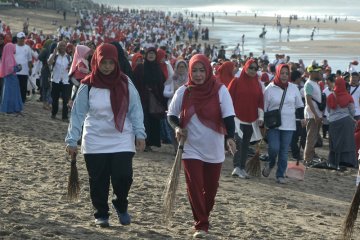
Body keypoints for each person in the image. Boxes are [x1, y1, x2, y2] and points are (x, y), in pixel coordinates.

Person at [65, 43, 146, 228]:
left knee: (123, 176)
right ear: (97, 62)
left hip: (122, 137)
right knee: (98, 180)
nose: (107, 67)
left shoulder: (125, 82)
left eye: (111, 62)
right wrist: (71, 140)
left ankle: (120, 204)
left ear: (116, 62)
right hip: (95, 138)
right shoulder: (88, 85)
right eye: (104, 63)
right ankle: (101, 213)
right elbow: (77, 114)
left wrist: (140, 133)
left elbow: (135, 109)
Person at [167, 54, 236, 239]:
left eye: (202, 70)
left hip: (214, 149)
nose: (198, 75)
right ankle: (201, 225)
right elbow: (171, 115)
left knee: (211, 190)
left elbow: (229, 116)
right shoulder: (184, 91)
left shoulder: (221, 90)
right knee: (194, 186)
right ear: (190, 72)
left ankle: (203, 217)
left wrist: (230, 138)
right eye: (194, 71)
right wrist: (177, 128)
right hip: (190, 148)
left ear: (208, 71)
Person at [262, 64, 304, 184]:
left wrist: (302, 118)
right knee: (274, 148)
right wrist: (263, 124)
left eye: (286, 73)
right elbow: (264, 108)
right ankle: (270, 164)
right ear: (277, 73)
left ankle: (280, 175)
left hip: (289, 125)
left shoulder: (293, 88)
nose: (284, 76)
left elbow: (300, 105)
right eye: (282, 73)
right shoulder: (269, 89)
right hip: (273, 125)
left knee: (284, 151)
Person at [228, 59, 264, 179]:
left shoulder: (257, 84)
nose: (253, 70)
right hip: (236, 119)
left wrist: (261, 116)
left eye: (255, 68)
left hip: (251, 120)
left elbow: (260, 101)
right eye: (251, 68)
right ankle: (237, 167)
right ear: (245, 68)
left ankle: (242, 168)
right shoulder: (236, 81)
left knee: (246, 145)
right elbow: (228, 99)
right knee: (238, 143)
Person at [132, 47, 167, 152]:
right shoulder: (140, 68)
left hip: (155, 99)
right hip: (142, 99)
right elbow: (135, 82)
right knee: (143, 120)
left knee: (152, 121)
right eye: (149, 53)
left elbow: (162, 83)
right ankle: (142, 142)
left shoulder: (157, 68)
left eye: (153, 53)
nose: (151, 55)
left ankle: (150, 143)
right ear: (146, 55)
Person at [326, 77, 357, 169]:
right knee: (347, 142)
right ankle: (346, 161)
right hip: (345, 122)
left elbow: (328, 110)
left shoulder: (330, 96)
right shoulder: (348, 96)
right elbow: (353, 112)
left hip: (332, 122)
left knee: (335, 142)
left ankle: (334, 161)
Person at [303, 65, 324, 164]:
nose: (320, 73)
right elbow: (308, 100)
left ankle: (311, 154)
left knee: (314, 136)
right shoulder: (309, 84)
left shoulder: (315, 83)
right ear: (311, 73)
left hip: (316, 114)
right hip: (312, 115)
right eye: (317, 71)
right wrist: (315, 114)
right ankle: (307, 159)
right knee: (311, 137)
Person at [48, 41, 72, 121]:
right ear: (57, 47)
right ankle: (53, 113)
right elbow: (49, 63)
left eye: (64, 46)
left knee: (65, 99)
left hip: (65, 81)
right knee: (55, 99)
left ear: (66, 47)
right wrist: (54, 53)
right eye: (60, 46)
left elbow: (71, 68)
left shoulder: (69, 57)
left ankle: (64, 117)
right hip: (55, 80)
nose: (62, 47)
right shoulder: (54, 56)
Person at [0, 43, 23, 115]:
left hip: (9, 78)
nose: (14, 49)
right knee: (12, 94)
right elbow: (10, 69)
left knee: (9, 93)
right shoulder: (9, 57)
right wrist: (18, 68)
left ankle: (10, 108)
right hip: (11, 78)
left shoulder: (8, 56)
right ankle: (11, 108)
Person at [14, 32, 32, 103]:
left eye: (23, 38)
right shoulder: (13, 47)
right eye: (20, 38)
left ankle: (22, 102)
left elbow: (30, 60)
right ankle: (15, 101)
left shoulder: (27, 48)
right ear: (17, 39)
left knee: (23, 88)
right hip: (15, 71)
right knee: (15, 87)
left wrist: (30, 69)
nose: (22, 40)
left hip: (24, 72)